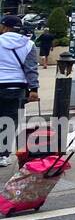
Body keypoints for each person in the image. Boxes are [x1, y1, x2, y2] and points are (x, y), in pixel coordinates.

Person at [0, 15, 39, 168]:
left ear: (4, 27)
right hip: (16, 88)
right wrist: (34, 89)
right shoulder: (29, 44)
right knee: (9, 122)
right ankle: (2, 156)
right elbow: (31, 69)